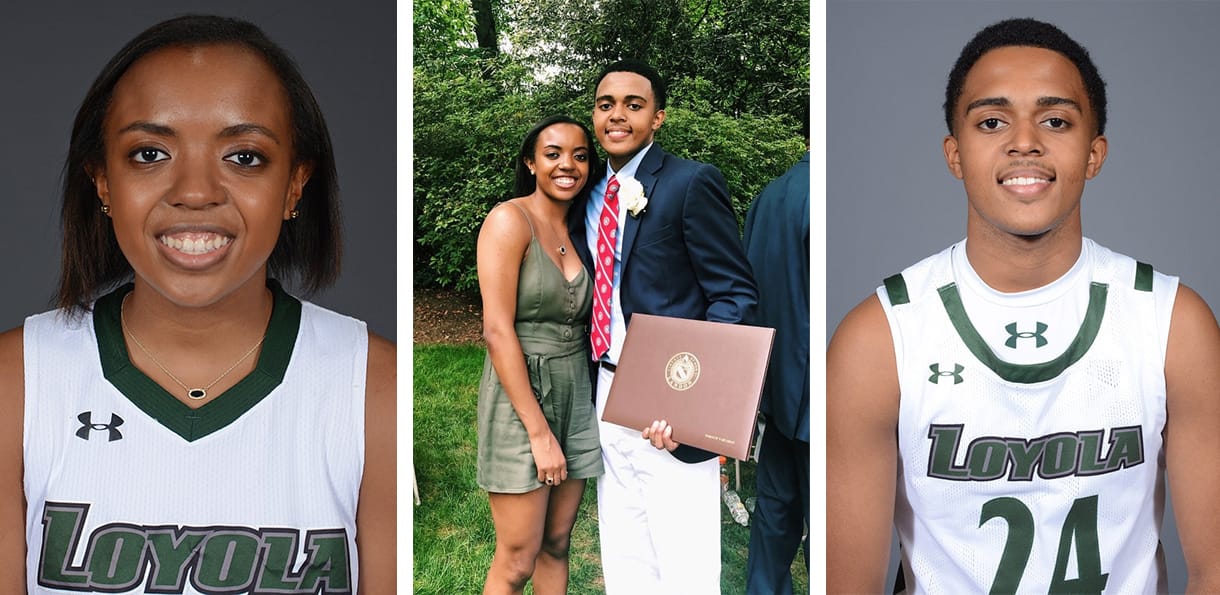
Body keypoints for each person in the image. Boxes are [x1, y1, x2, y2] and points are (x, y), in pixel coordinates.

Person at [0, 15, 396, 592]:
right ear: (103, 182)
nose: (194, 192)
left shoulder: (375, 387)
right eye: (149, 153)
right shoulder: (16, 383)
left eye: (243, 157)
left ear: (294, 185)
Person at [827, 17, 1220, 593]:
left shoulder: (1174, 324)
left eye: (1055, 120)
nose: (1024, 141)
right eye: (992, 121)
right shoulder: (878, 338)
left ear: (1094, 153)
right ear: (955, 154)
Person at [569, 58, 758, 593]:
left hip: (672, 397)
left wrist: (692, 398)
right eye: (606, 105)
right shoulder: (586, 193)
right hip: (607, 388)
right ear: (594, 115)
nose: (618, 115)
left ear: (658, 119)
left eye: (634, 105)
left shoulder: (689, 183)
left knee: (686, 563)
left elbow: (735, 295)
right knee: (625, 554)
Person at [475, 115, 604, 595]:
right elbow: (496, 330)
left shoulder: (582, 228)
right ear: (531, 163)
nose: (567, 165)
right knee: (517, 560)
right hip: (522, 393)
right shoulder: (510, 220)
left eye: (579, 155)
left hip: (576, 387)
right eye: (553, 154)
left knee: (557, 543)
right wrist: (539, 433)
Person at [743, 143, 810, 594]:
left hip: (774, 387)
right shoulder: (829, 198)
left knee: (774, 513)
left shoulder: (769, 196)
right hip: (819, 395)